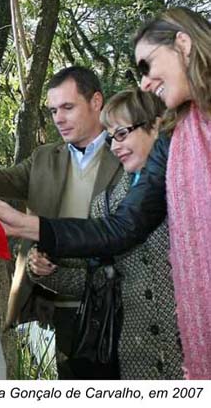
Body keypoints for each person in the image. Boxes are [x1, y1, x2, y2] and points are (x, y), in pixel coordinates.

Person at [0, 7, 211, 379]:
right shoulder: (173, 142)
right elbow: (119, 231)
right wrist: (28, 228)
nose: (146, 82)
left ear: (183, 44)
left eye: (148, 66)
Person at [0, 67, 123, 379]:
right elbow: (5, 179)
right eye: (54, 110)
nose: (59, 118)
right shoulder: (45, 157)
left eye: (68, 107)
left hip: (119, 303)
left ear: (96, 101)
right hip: (58, 303)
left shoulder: (129, 152)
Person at [29, 88, 183, 379]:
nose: (114, 146)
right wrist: (46, 271)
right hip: (137, 360)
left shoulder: (190, 186)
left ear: (156, 126)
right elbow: (96, 282)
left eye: (122, 134)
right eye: (110, 138)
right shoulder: (106, 203)